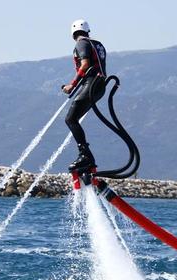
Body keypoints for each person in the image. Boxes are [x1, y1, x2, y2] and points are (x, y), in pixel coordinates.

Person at [62, 19, 107, 171]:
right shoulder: (97, 44)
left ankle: (85, 156)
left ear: (72, 34)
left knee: (71, 119)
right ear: (87, 30)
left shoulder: (81, 43)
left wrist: (71, 85)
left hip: (91, 84)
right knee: (74, 118)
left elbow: (85, 64)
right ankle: (87, 158)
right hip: (100, 87)